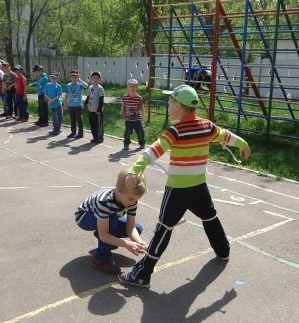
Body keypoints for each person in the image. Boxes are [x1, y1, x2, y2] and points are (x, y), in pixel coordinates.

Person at [118, 85, 251, 288]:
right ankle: (223, 251)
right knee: (210, 217)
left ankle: (142, 275)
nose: (168, 105)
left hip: (177, 191)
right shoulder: (207, 126)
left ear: (178, 106)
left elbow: (153, 150)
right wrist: (243, 144)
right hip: (199, 187)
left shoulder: (175, 131)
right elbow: (226, 136)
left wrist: (135, 170)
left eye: (170, 102)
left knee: (163, 228)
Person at [75, 170, 147, 274]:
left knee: (138, 227)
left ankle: (105, 238)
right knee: (111, 219)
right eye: (131, 199)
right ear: (119, 191)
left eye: (137, 199)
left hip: (105, 218)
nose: (134, 202)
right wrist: (126, 244)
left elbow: (131, 228)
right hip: (84, 217)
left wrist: (139, 242)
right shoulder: (104, 201)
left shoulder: (132, 199)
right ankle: (101, 259)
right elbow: (104, 235)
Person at [121, 79, 145, 150]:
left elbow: (141, 108)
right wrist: (122, 112)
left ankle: (142, 143)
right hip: (128, 119)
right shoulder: (125, 97)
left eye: (134, 87)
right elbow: (123, 106)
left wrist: (142, 116)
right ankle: (126, 143)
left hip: (137, 119)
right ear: (128, 87)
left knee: (140, 132)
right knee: (127, 132)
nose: (132, 88)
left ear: (136, 88)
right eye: (130, 86)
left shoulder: (139, 98)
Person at [64, 69, 88, 138]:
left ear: (77, 77)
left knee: (79, 119)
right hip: (71, 105)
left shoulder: (79, 85)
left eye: (75, 77)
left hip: (78, 105)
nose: (74, 78)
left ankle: (80, 133)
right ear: (70, 77)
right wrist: (65, 104)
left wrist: (79, 79)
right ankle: (73, 132)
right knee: (72, 120)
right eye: (72, 77)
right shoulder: (68, 85)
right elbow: (66, 95)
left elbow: (86, 85)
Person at [84, 71, 104, 143]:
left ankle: (100, 137)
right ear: (91, 79)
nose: (95, 79)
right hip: (91, 109)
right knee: (92, 124)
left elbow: (101, 100)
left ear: (99, 79)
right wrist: (85, 104)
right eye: (94, 78)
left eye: (97, 78)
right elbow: (88, 97)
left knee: (98, 125)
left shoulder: (100, 88)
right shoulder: (90, 87)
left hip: (97, 111)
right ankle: (95, 137)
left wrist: (99, 110)